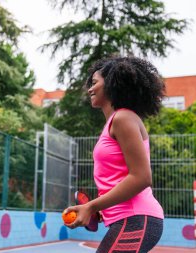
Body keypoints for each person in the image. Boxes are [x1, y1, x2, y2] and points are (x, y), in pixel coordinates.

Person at [64, 56, 165, 253]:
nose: (90, 89)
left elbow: (142, 177)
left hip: (137, 218)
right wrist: (102, 210)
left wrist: (91, 206)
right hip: (129, 219)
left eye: (94, 83)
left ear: (111, 83)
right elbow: (119, 178)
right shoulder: (114, 122)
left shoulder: (123, 118)